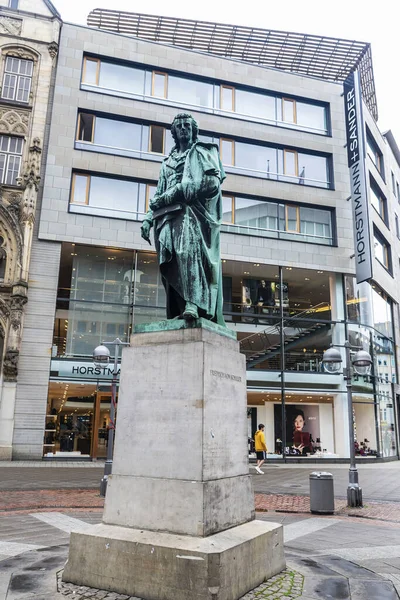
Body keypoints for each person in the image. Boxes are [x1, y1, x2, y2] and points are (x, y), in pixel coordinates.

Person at [140, 113, 226, 324]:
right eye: (180, 126)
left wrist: (178, 192)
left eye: (188, 125)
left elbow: (211, 184)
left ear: (193, 130)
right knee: (173, 261)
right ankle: (180, 307)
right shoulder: (167, 162)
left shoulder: (201, 153)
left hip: (192, 214)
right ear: (174, 132)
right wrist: (148, 219)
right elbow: (158, 194)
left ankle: (193, 304)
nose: (184, 128)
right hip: (166, 218)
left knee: (187, 252)